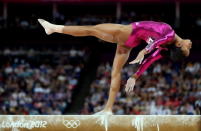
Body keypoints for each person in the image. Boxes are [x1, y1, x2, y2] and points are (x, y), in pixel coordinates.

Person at [38, 19, 192, 115]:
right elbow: (152, 56)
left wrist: (144, 52)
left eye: (187, 47)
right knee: (115, 72)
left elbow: (155, 47)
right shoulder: (165, 47)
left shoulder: (170, 35)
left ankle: (54, 28)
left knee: (91, 30)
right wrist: (134, 76)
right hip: (131, 43)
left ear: (178, 45)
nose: (189, 45)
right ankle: (108, 109)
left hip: (128, 32)